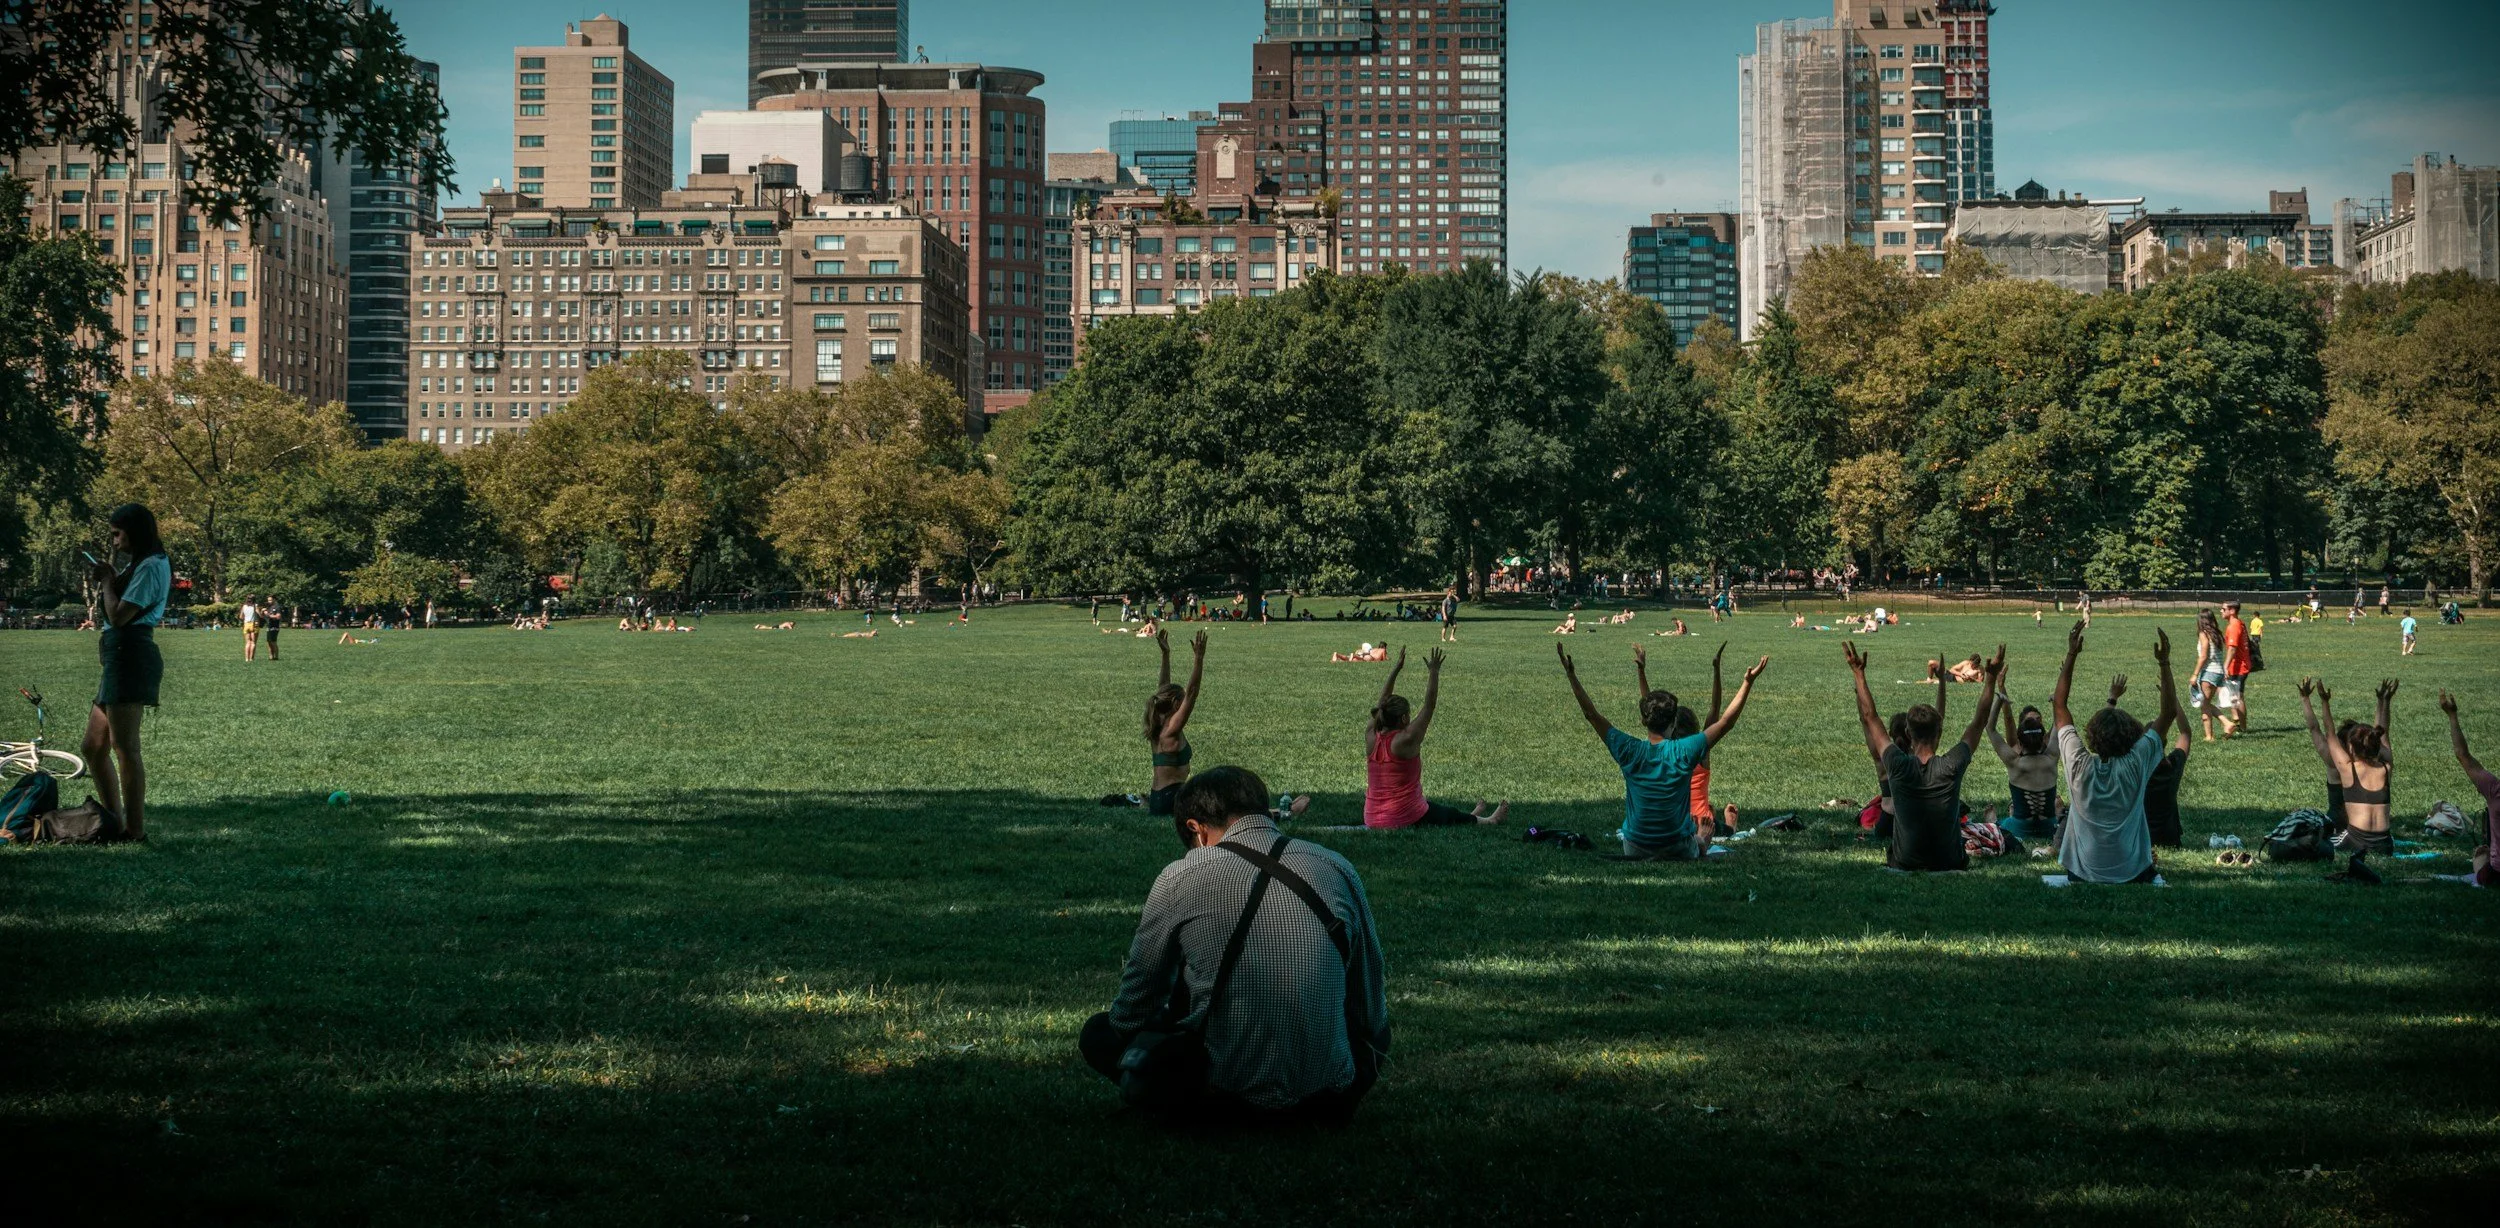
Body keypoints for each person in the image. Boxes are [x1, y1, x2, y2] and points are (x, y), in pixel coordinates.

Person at [1081, 766, 1389, 1122]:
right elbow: (1370, 1009)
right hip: (1326, 1102)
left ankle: (1178, 1103)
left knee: (1098, 1034)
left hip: (1218, 1100)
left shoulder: (1179, 877)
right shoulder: (1335, 866)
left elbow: (1134, 1006)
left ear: (1196, 830)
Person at [1556, 641, 1766, 861]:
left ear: (1644, 720)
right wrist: (1747, 683)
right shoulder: (1684, 751)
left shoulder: (1629, 749)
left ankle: (1700, 841)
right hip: (1678, 847)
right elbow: (1724, 722)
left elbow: (1592, 715)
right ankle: (1702, 842)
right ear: (1673, 723)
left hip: (1634, 848)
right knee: (1699, 840)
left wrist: (1571, 675)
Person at [1845, 642, 2002, 872]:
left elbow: (1871, 718)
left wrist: (1859, 674)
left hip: (1904, 862)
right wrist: (1990, 679)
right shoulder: (1952, 765)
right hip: (1950, 862)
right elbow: (1979, 722)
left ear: (1908, 734)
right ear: (1939, 733)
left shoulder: (1897, 764)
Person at [2049, 622, 2180, 885]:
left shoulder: (2078, 764)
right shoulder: (2136, 763)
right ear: (2132, 736)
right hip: (2133, 872)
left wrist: (2072, 653)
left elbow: (2060, 704)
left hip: (2082, 873)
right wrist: (2164, 663)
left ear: (2093, 736)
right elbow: (2168, 714)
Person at [82, 503, 171, 842]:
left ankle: (134, 830)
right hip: (118, 657)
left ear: (135, 531)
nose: (115, 541)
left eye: (118, 534)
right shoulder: (143, 564)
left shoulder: (151, 566)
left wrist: (107, 580)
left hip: (130, 654)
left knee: (125, 747)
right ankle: (114, 820)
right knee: (93, 746)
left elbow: (119, 616)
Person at [1362, 647, 1505, 829]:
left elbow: (1380, 703)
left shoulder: (1371, 735)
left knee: (1431, 807)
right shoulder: (1406, 739)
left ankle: (1470, 816)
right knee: (1441, 813)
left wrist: (1396, 669)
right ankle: (1489, 820)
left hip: (1372, 817)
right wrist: (1434, 672)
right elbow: (1429, 706)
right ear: (1404, 718)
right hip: (1400, 817)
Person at [2298, 677, 2396, 870]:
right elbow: (2383, 734)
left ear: (2351, 747)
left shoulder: (2344, 767)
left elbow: (2327, 732)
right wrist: (2384, 701)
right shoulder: (2386, 768)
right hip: (2386, 845)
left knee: (2315, 844)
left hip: (2353, 838)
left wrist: (2323, 702)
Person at [1643, 644, 1732, 837]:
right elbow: (1715, 709)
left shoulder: (1664, 750)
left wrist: (1641, 671)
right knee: (1725, 827)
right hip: (1702, 824)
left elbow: (1649, 706)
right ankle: (1731, 823)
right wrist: (1716, 670)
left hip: (1673, 821)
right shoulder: (1700, 750)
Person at [2110, 674, 2191, 848]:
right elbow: (2185, 733)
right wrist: (2173, 699)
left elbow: (2107, 740)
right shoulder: (2173, 767)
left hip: (2139, 838)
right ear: (2164, 744)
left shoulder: (2133, 767)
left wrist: (2113, 699)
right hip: (2170, 837)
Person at [2435, 691, 2500, 887]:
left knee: (2481, 854)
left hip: (2496, 875)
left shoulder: (2495, 790)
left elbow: (2463, 755)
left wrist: (2452, 716)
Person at [1142, 630, 1207, 823]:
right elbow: (1193, 692)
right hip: (1171, 799)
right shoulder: (1171, 729)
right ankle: (1283, 812)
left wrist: (1166, 655)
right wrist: (1199, 658)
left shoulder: (1157, 723)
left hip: (1159, 800)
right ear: (1178, 705)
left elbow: (1163, 688)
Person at [1989, 683, 2063, 842]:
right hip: (2049, 826)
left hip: (2017, 827)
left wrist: (1998, 702)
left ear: (2020, 743)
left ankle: (1995, 822)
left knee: (1998, 825)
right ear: (2043, 739)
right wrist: (2056, 703)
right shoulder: (2052, 758)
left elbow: (1991, 729)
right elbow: (2059, 724)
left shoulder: (2014, 762)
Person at [2190, 608, 2227, 741]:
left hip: (2209, 672)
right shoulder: (2216, 633)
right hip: (2219, 672)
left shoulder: (2203, 634)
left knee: (2204, 705)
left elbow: (2204, 655)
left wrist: (2195, 674)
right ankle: (2225, 725)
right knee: (2206, 703)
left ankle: (2210, 736)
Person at [2218, 601, 2252, 737]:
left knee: (2238, 697)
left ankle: (2242, 728)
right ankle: (2238, 722)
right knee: (2233, 695)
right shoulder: (2238, 623)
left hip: (2238, 666)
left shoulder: (2233, 626)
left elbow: (2232, 649)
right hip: (2241, 665)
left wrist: (2225, 666)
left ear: (2232, 611)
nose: (2221, 611)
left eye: (2223, 609)